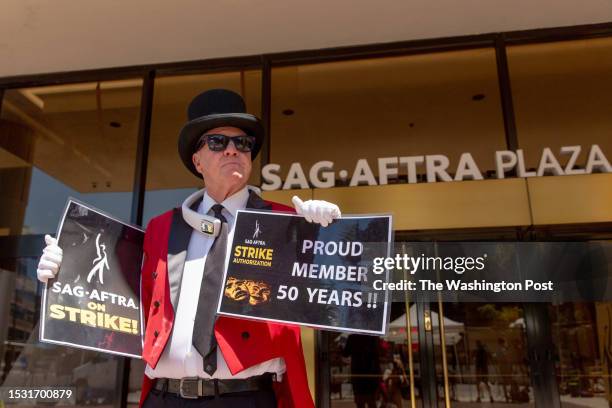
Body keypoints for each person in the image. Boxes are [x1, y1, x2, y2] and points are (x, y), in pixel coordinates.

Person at [36, 89, 343, 408]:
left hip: (246, 398)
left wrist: (327, 235)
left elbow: (336, 295)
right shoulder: (160, 228)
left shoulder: (286, 223)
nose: (232, 150)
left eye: (243, 143)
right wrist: (64, 273)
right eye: (217, 142)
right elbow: (125, 299)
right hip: (165, 397)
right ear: (197, 161)